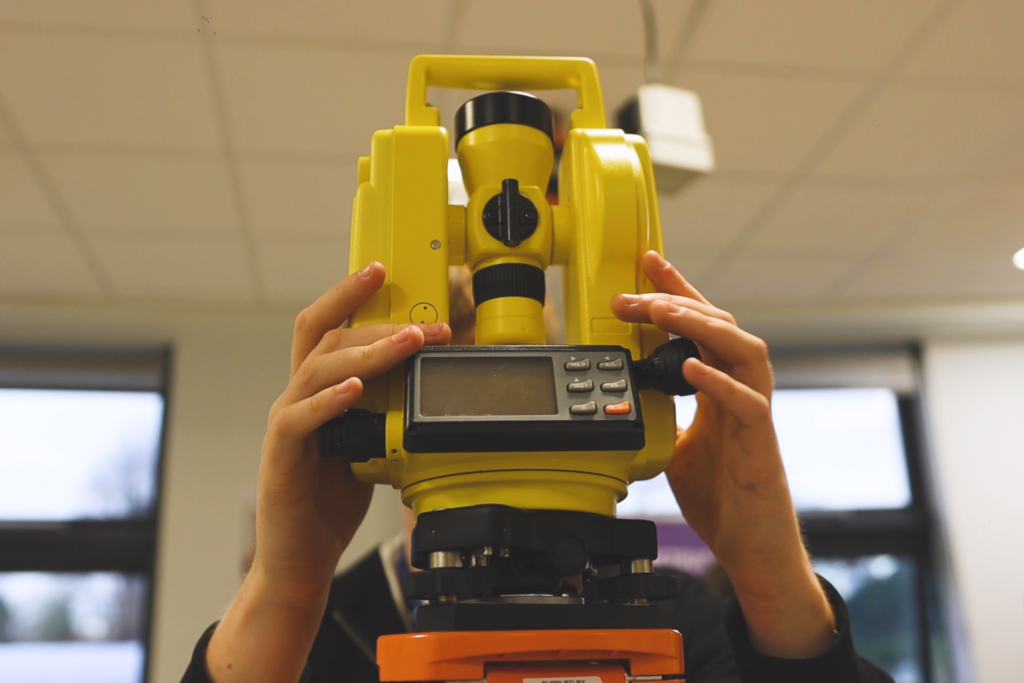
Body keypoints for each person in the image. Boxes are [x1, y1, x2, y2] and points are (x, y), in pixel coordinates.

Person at [181, 252, 894, 683]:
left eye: (521, 397)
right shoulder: (318, 629)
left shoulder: (675, 619)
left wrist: (769, 572)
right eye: (455, 403)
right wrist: (286, 589)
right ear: (382, 417)